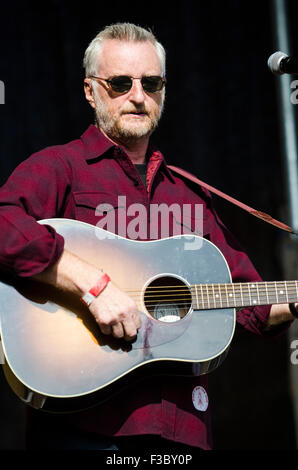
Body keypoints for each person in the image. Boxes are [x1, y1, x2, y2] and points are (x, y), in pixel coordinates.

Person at [0, 22, 296, 451]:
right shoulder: (60, 167)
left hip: (181, 432)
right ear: (90, 90)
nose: (138, 97)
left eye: (151, 83)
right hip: (83, 428)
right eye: (121, 83)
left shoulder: (191, 194)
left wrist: (292, 303)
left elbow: (247, 302)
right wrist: (93, 285)